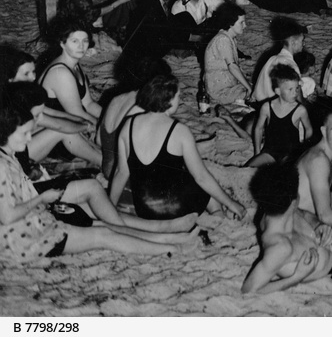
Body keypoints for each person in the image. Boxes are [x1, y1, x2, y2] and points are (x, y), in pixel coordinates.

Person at [0, 102, 196, 266]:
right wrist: (43, 197)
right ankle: (171, 249)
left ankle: (172, 239)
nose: (29, 138)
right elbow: (7, 216)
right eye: (24, 133)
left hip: (36, 223)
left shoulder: (9, 156)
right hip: (23, 241)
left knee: (100, 224)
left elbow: (20, 186)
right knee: (101, 235)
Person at [108, 75, 245, 220]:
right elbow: (201, 177)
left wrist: (109, 207)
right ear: (170, 99)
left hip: (145, 209)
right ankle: (218, 214)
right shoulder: (180, 131)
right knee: (205, 190)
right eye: (178, 96)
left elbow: (121, 173)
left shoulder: (128, 125)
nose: (179, 100)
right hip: (176, 206)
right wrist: (231, 203)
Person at [241, 163, 332, 294]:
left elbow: (304, 214)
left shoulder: (279, 208)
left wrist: (319, 225)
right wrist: (296, 277)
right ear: (294, 200)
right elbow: (249, 289)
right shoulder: (280, 248)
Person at [39, 18, 102, 125]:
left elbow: (88, 104)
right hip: (56, 129)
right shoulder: (61, 73)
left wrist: (108, 118)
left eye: (85, 41)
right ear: (62, 44)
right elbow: (77, 114)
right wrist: (103, 127)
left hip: (70, 123)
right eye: (75, 41)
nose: (81, 46)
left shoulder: (75, 65)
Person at [248, 65, 312, 167]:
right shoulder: (267, 107)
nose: (295, 93)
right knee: (247, 169)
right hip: (270, 152)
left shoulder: (300, 110)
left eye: (296, 88)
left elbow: (308, 129)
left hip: (290, 154)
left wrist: (304, 149)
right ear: (278, 91)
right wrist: (257, 152)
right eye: (290, 89)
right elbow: (258, 129)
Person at [203, 2, 252, 107]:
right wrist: (249, 88)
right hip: (220, 91)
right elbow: (232, 67)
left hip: (229, 85)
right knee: (256, 94)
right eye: (241, 22)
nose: (245, 25)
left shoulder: (229, 37)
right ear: (231, 23)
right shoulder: (222, 40)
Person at [253, 17, 307, 103]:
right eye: (302, 41)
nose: (303, 44)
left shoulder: (272, 59)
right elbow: (297, 98)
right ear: (293, 42)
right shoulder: (290, 65)